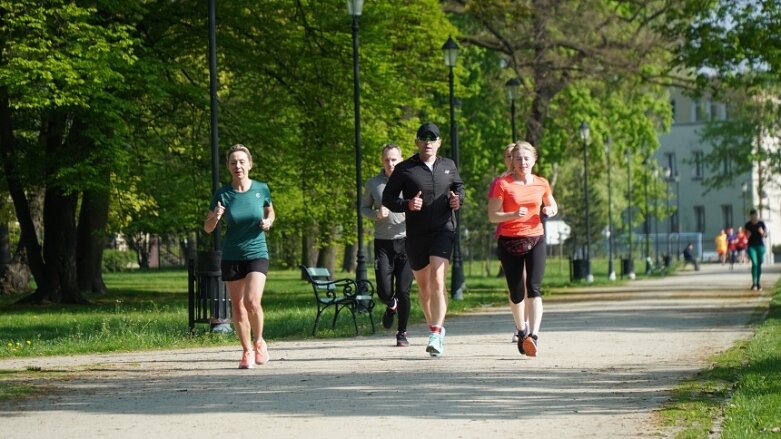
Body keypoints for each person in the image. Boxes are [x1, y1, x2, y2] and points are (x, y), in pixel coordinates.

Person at [382, 122, 465, 357]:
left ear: (439, 142)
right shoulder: (405, 169)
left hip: (443, 230)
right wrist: (406, 204)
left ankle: (436, 334)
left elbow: (459, 188)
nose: (428, 142)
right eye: (424, 138)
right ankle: (434, 328)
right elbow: (388, 197)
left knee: (438, 279)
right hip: (416, 234)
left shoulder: (448, 165)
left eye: (433, 138)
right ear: (417, 142)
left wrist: (458, 199)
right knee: (425, 287)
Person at [203, 144, 275, 369]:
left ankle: (259, 340)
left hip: (257, 252)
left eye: (242, 161)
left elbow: (270, 210)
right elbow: (207, 227)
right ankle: (246, 351)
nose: (238, 166)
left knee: (252, 301)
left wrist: (268, 221)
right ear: (228, 167)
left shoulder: (261, 188)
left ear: (250, 164)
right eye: (233, 162)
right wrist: (216, 216)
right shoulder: (222, 194)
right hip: (233, 254)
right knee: (237, 306)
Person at [487, 141, 558, 357]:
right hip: (509, 241)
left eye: (527, 158)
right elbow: (492, 216)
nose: (523, 162)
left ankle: (533, 336)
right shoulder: (502, 184)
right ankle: (521, 330)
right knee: (517, 292)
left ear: (534, 160)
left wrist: (551, 209)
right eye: (519, 159)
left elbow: (552, 204)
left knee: (534, 287)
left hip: (535, 238)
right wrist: (511, 215)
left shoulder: (542, 183)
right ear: (513, 161)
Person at [361, 144, 413, 347]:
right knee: (384, 290)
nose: (391, 163)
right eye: (387, 160)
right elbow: (363, 208)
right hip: (383, 243)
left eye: (394, 160)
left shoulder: (409, 181)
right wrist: (375, 214)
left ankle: (402, 333)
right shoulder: (374, 183)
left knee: (403, 290)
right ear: (382, 161)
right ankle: (391, 305)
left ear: (401, 160)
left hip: (407, 241)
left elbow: (420, 205)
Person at [490, 144, 528, 344]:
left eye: (516, 156)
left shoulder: (530, 180)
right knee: (515, 283)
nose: (512, 160)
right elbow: (494, 210)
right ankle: (519, 324)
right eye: (508, 156)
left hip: (529, 236)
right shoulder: (500, 182)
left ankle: (525, 325)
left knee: (528, 281)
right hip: (507, 236)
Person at [744, 209, 767, 291]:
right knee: (755, 263)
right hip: (751, 246)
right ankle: (754, 283)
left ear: (757, 216)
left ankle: (758, 282)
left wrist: (762, 232)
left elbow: (765, 235)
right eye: (752, 216)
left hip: (760, 246)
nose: (754, 217)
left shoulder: (761, 224)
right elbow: (745, 237)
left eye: (755, 215)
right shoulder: (748, 225)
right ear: (750, 216)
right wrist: (747, 235)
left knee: (759, 263)